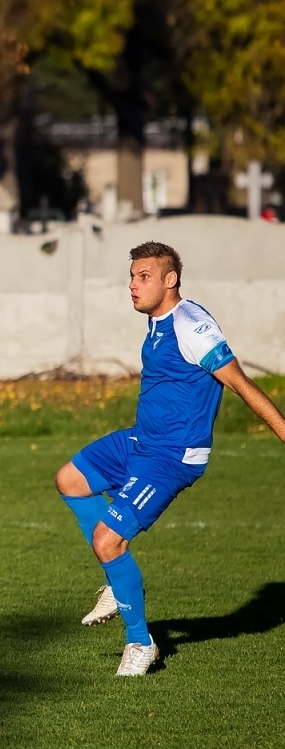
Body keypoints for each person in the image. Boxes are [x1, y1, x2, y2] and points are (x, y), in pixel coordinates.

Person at [54, 242, 285, 676]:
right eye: (132, 276)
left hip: (172, 457)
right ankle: (113, 580)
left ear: (170, 279)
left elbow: (238, 382)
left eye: (144, 276)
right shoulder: (159, 322)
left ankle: (140, 644)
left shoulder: (192, 326)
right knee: (69, 479)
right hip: (142, 441)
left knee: (108, 541)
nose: (133, 284)